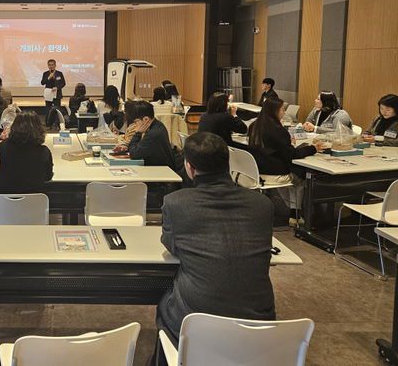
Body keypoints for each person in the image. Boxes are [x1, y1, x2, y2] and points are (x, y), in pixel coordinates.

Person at [154, 131, 276, 364]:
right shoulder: (263, 204)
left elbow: (172, 245)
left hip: (197, 322)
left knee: (164, 301)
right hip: (259, 324)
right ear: (228, 163)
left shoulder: (176, 203)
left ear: (189, 168)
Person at [249, 98, 326, 221]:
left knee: (291, 175)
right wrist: (313, 148)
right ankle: (295, 213)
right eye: (282, 110)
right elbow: (292, 154)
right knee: (300, 177)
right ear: (275, 111)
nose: (284, 112)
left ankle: (292, 211)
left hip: (257, 171)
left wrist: (287, 143)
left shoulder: (254, 126)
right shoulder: (278, 130)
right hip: (274, 173)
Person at [0, 111, 53, 194]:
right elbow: (48, 177)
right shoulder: (44, 152)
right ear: (39, 129)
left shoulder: (3, 146)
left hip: (3, 199)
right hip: (33, 200)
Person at [115, 100, 174, 168]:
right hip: (158, 167)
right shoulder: (157, 125)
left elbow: (134, 154)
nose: (135, 124)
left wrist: (138, 133)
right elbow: (139, 147)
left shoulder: (153, 134)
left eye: (136, 121)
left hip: (162, 171)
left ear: (146, 119)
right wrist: (127, 148)